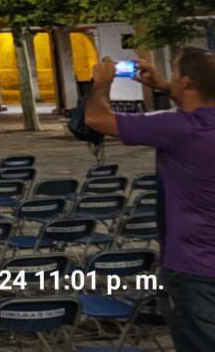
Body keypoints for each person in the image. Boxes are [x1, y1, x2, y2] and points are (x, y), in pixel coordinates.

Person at [85, 51, 215, 352]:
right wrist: (167, 88)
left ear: (187, 82)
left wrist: (102, 84)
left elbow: (97, 119)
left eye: (173, 73)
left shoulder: (178, 128)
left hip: (194, 266)